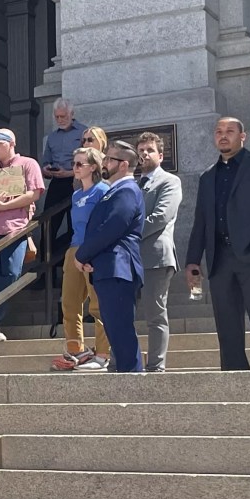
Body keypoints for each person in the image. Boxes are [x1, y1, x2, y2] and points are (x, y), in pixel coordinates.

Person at [184, 117, 250, 370]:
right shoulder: (208, 176)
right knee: (227, 328)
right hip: (220, 259)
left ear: (243, 136)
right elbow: (201, 222)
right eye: (218, 131)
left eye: (229, 131)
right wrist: (192, 260)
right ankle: (235, 381)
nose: (223, 135)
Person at [75, 141, 145, 373]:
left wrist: (82, 254)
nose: (104, 163)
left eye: (109, 159)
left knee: (121, 330)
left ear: (124, 165)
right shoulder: (115, 190)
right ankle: (127, 378)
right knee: (116, 330)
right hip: (108, 269)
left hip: (119, 268)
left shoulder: (126, 190)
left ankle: (133, 381)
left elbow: (112, 227)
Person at [0, 130, 44, 342]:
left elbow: (34, 193)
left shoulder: (27, 163)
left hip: (15, 228)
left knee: (11, 273)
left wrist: (4, 205)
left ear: (11, 143)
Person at [52, 148, 111, 372]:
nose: (75, 168)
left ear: (93, 167)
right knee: (69, 303)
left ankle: (103, 353)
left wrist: (92, 251)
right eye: (74, 163)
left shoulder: (103, 191)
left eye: (79, 164)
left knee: (97, 305)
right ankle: (77, 351)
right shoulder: (76, 194)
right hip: (73, 250)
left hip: (93, 250)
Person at [136, 131, 183, 372]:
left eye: (150, 150)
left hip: (155, 257)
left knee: (155, 315)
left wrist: (128, 234)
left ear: (161, 155)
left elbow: (160, 217)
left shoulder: (169, 181)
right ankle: (127, 362)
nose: (144, 153)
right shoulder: (133, 184)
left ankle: (156, 366)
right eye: (141, 150)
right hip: (131, 259)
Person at [41, 98, 89, 260]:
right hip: (56, 183)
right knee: (48, 225)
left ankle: (69, 260)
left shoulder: (83, 133)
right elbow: (45, 162)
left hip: (78, 182)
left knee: (74, 225)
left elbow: (90, 161)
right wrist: (47, 170)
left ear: (72, 114)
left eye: (63, 116)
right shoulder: (52, 137)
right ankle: (45, 270)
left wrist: (69, 173)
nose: (60, 120)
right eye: (57, 117)